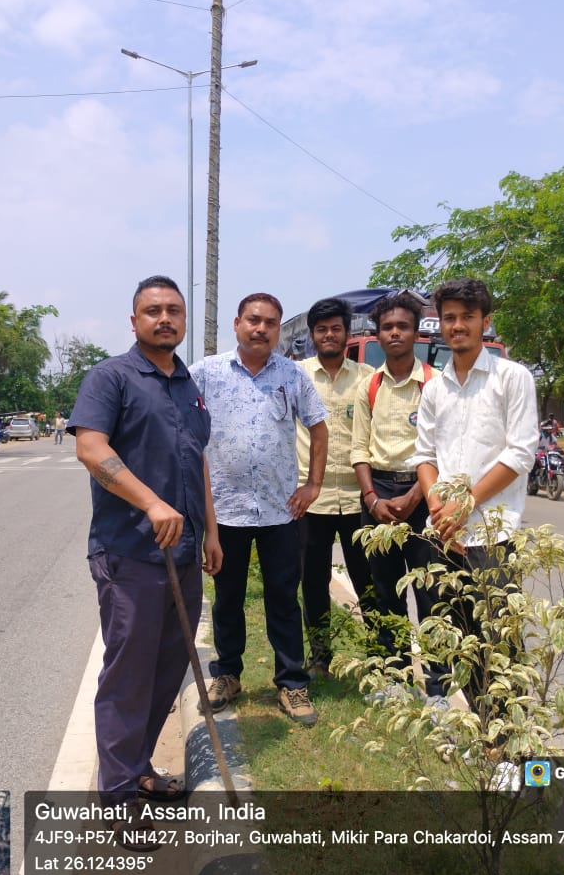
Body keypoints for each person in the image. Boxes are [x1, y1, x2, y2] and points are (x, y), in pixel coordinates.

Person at [68, 275, 221, 826]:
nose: (165, 319)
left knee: (166, 671)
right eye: (153, 311)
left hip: (183, 556)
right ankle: (118, 800)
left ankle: (137, 768)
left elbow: (197, 456)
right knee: (128, 677)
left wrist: (211, 532)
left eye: (173, 310)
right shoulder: (111, 377)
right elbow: (90, 447)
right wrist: (151, 502)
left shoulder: (188, 384)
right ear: (133, 321)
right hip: (130, 553)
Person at [190, 292, 328, 726]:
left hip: (280, 511)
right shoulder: (206, 373)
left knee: (284, 600)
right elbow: (180, 427)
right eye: (253, 320)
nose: (261, 328)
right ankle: (227, 675)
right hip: (224, 512)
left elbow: (320, 429)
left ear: (278, 329)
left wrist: (313, 484)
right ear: (236, 324)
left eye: (270, 322)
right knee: (226, 599)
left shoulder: (293, 375)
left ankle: (291, 684)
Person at [412, 277, 538, 740]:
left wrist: (466, 503)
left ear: (486, 322)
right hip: (442, 535)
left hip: (493, 537)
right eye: (449, 318)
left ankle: (507, 747)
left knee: (499, 646)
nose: (458, 325)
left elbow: (521, 453)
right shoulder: (435, 389)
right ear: (439, 324)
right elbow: (424, 456)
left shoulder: (512, 378)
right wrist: (437, 505)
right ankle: (471, 734)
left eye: (468, 317)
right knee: (448, 638)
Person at [350, 292, 444, 697]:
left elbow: (443, 449)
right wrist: (372, 500)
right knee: (385, 593)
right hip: (378, 497)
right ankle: (396, 680)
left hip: (425, 496)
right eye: (387, 327)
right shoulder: (368, 386)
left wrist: (417, 498)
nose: (394, 333)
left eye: (402, 326)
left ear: (416, 332)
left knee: (430, 595)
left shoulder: (437, 386)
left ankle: (438, 688)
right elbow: (359, 450)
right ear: (377, 333)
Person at [295, 297, 373, 676]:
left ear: (347, 333)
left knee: (369, 579)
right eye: (322, 329)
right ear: (313, 335)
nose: (329, 334)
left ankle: (379, 655)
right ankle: (320, 657)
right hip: (310, 499)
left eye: (336, 328)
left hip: (359, 498)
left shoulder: (367, 377)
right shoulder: (296, 375)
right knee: (314, 581)